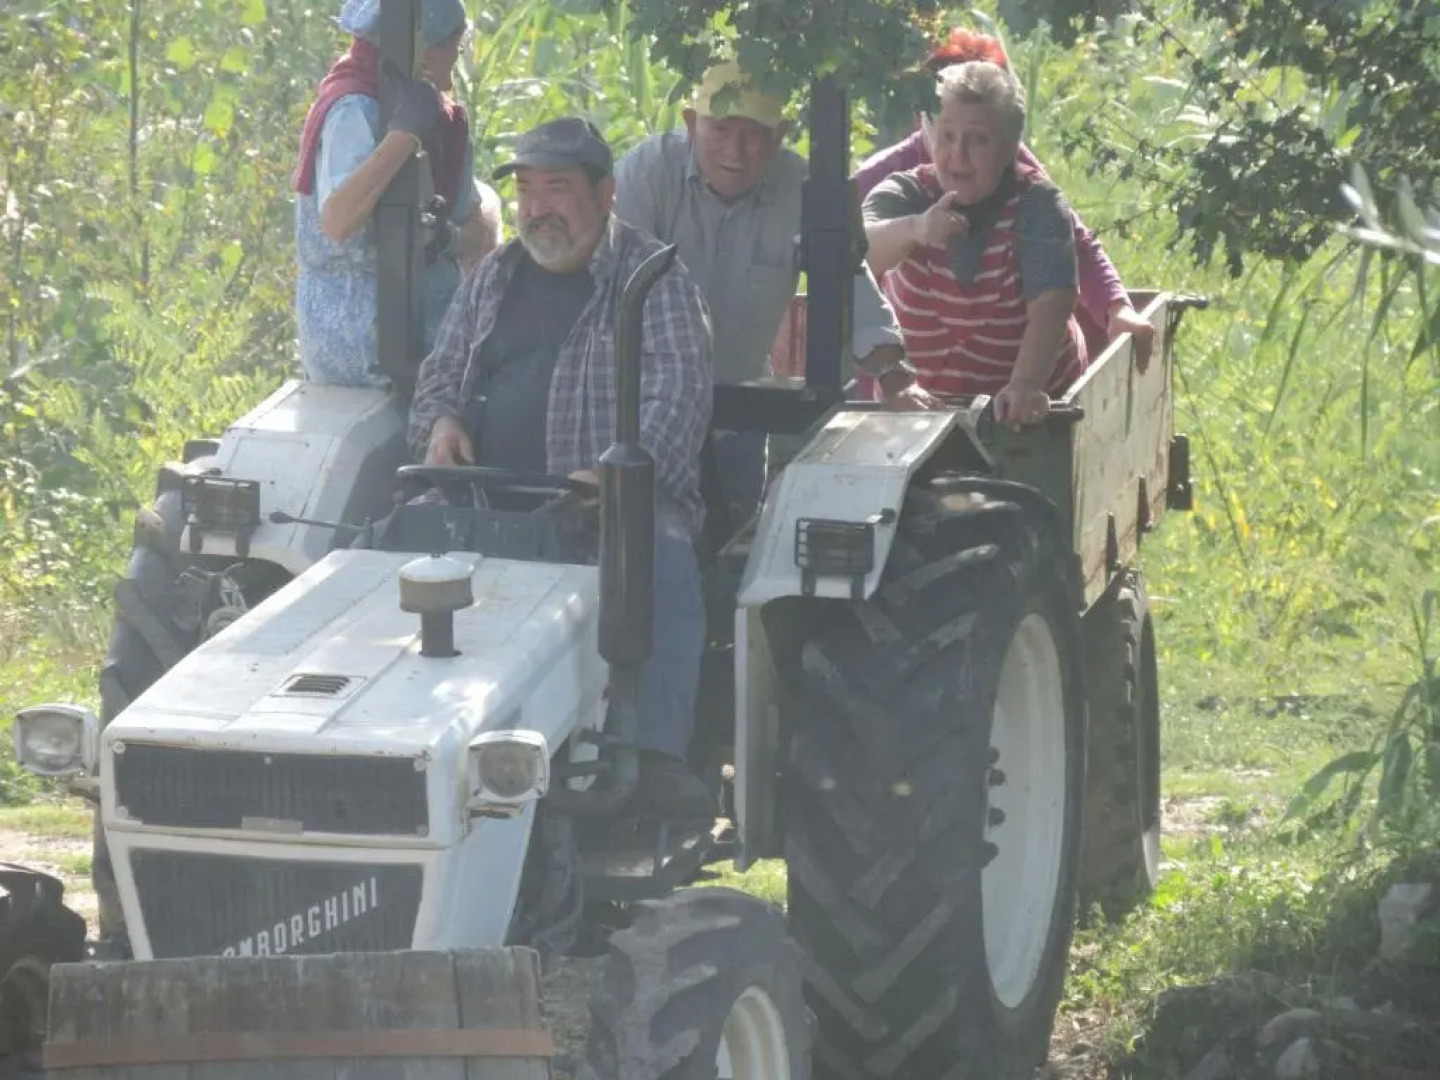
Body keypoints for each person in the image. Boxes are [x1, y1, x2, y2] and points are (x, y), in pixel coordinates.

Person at [408, 117, 716, 818]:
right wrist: (442, 425)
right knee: (386, 543)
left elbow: (678, 398)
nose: (539, 208)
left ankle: (657, 761)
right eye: (525, 190)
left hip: (607, 510)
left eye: (558, 190)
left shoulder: (655, 278)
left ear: (605, 194)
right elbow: (438, 379)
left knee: (662, 553)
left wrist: (610, 479)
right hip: (485, 503)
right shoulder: (492, 277)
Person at [612, 60, 939, 524]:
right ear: (690, 123)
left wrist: (891, 372)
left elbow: (847, 276)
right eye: (721, 129)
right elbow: (609, 290)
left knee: (738, 543)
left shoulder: (800, 189)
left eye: (754, 134)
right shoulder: (647, 175)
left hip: (740, 408)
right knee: (640, 542)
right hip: (644, 409)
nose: (736, 150)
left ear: (781, 134)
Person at [853, 28, 1153, 362]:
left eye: (979, 135)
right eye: (948, 127)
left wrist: (1118, 307)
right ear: (924, 112)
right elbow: (843, 255)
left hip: (1014, 370)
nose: (959, 152)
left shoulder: (1019, 175)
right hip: (904, 366)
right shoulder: (890, 176)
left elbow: (1070, 242)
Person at [863, 61, 1087, 428]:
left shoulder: (1036, 202)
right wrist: (916, 229)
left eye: (978, 139)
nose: (958, 155)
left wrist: (1026, 384)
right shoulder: (906, 192)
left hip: (1023, 410)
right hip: (917, 406)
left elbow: (1051, 304)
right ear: (929, 136)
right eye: (947, 136)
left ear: (1009, 148)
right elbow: (857, 252)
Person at [293, 0, 502, 387]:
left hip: (432, 340)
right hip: (359, 354)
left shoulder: (441, 119)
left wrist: (449, 237)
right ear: (425, 49)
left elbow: (476, 224)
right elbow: (337, 221)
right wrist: (404, 135)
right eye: (456, 41)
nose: (458, 52)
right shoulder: (353, 108)